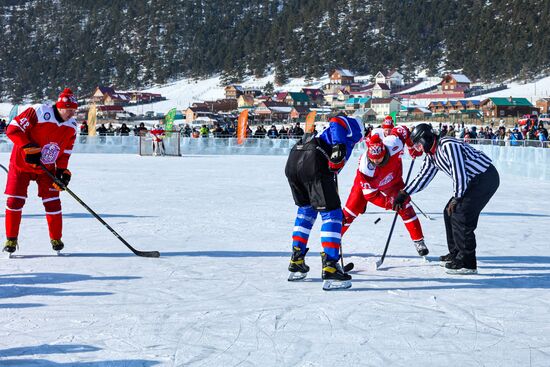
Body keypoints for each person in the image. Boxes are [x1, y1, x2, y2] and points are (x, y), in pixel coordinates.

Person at [393, 123, 500, 274]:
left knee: (461, 213)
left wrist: (457, 198)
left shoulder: (448, 145)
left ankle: (467, 262)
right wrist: (404, 193)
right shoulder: (432, 154)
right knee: (449, 212)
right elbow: (424, 176)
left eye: (418, 144)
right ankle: (456, 253)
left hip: (484, 177)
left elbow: (459, 172)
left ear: (425, 139)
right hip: (470, 181)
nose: (418, 149)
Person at [285, 113, 363, 290]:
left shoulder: (327, 135)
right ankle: (330, 265)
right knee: (332, 214)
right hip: (314, 162)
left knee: (306, 211)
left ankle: (296, 260)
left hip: (295, 161)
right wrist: (338, 146)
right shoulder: (354, 127)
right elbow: (337, 120)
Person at [3, 88, 78, 255]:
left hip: (47, 168)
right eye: (69, 109)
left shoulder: (71, 126)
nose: (72, 113)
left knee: (52, 201)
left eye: (74, 110)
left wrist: (63, 171)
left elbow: (65, 152)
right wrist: (28, 147)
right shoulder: (39, 111)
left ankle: (56, 238)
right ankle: (11, 239)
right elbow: (13, 129)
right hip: (21, 165)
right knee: (15, 201)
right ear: (59, 106)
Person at [341, 131, 429, 257]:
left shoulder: (394, 142)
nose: (376, 162)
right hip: (367, 187)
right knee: (349, 214)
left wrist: (411, 147)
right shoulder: (365, 168)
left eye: (379, 158)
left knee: (405, 207)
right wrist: (391, 203)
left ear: (384, 152)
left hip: (394, 182)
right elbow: (371, 195)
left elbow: (405, 131)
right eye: (373, 159)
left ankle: (419, 241)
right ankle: (332, 245)